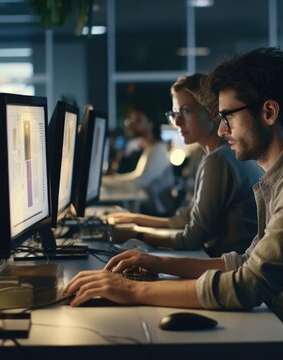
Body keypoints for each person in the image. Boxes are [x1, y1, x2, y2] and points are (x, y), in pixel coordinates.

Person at [64, 48, 283, 334]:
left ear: (269, 112)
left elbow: (250, 283)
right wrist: (157, 263)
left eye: (228, 117)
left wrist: (131, 290)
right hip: (280, 319)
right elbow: (246, 263)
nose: (222, 130)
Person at [108, 74, 263, 257]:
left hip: (227, 268)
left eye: (186, 111)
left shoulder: (218, 160)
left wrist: (136, 234)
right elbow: (187, 217)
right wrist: (136, 219)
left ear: (213, 112)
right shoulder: (216, 155)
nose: (178, 122)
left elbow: (192, 238)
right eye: (175, 114)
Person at [101, 104, 174, 214]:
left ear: (151, 124)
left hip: (158, 212)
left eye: (138, 120)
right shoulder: (149, 148)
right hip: (148, 208)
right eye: (132, 120)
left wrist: (103, 182)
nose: (133, 124)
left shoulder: (158, 150)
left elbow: (138, 182)